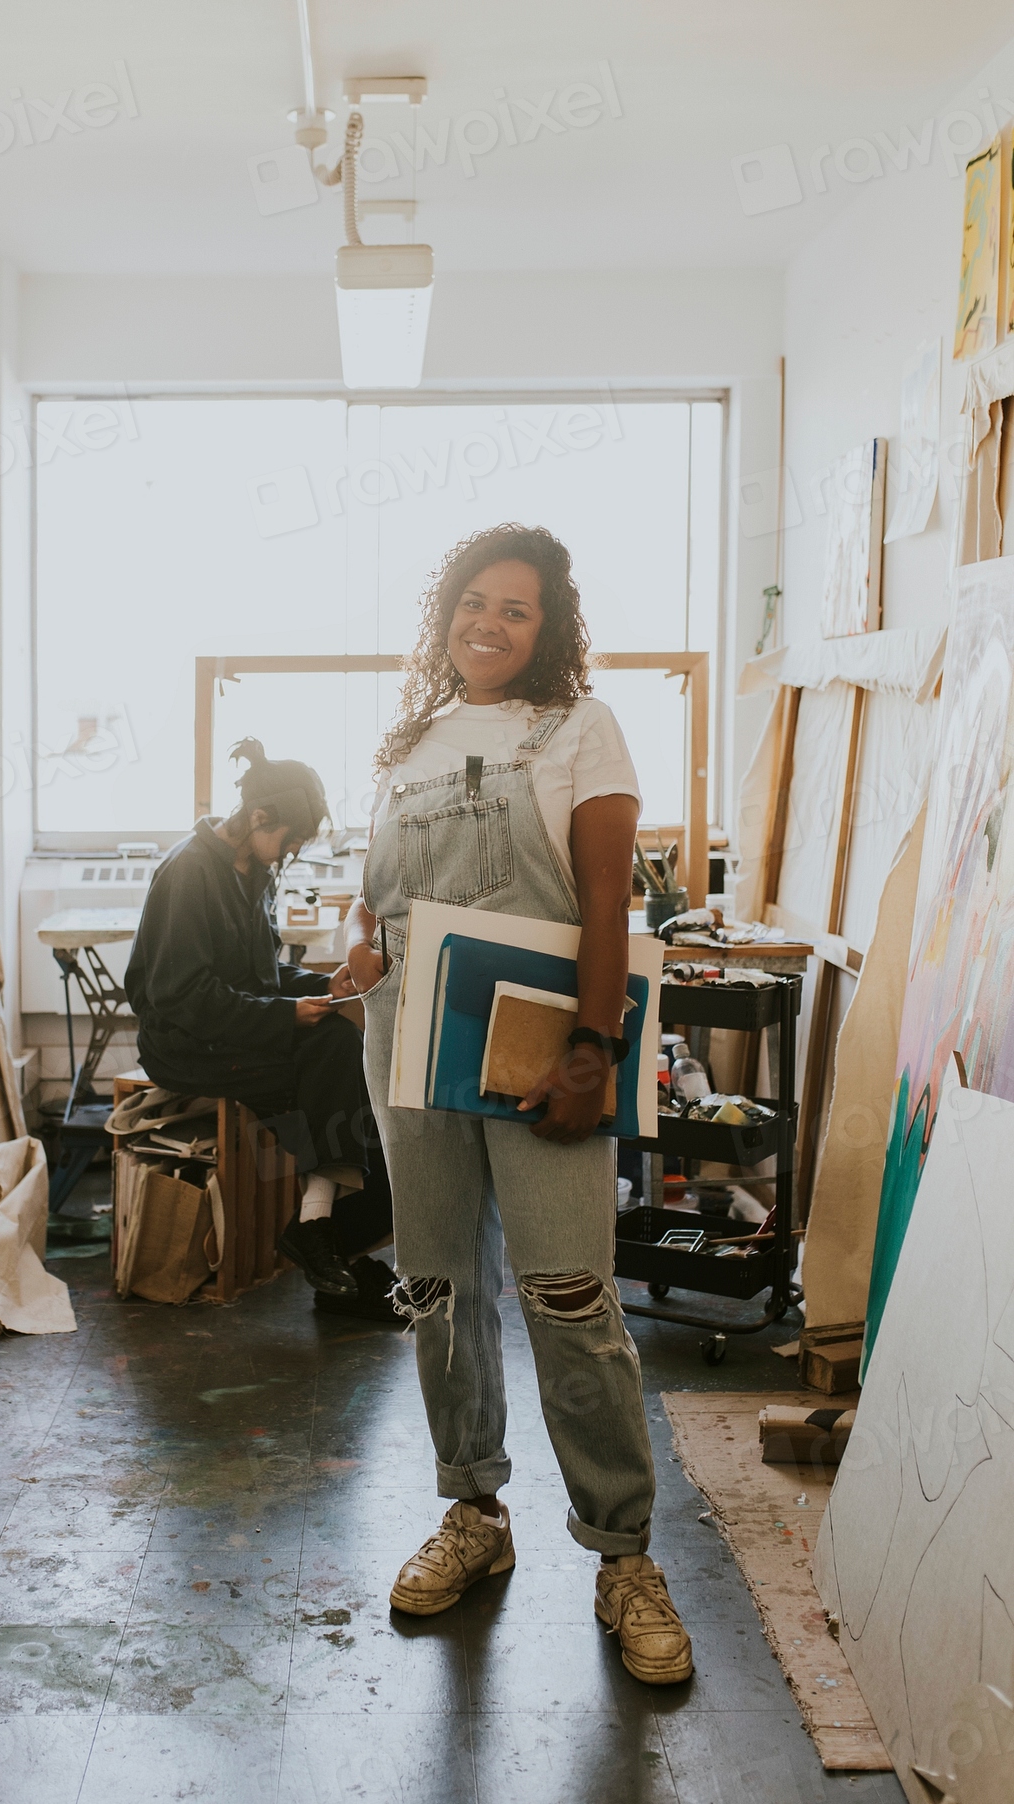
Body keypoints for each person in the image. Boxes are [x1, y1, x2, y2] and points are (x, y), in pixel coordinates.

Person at [343, 523, 693, 1685]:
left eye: (516, 609)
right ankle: (473, 1514)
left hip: (542, 1040)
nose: (487, 623)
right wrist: (354, 960)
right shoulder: (405, 739)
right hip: (407, 1037)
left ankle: (622, 1550)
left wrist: (594, 1044)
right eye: (472, 601)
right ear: (444, 610)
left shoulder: (579, 726)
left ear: (549, 629)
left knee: (568, 1290)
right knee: (436, 1285)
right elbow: (374, 900)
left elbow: (604, 900)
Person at [125, 738, 394, 1312]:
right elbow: (181, 996)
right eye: (287, 841)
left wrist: (321, 987)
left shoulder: (249, 868)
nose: (287, 854)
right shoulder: (188, 873)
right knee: (334, 1054)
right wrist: (283, 1015)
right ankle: (320, 1234)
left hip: (227, 1029)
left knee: (345, 1072)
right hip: (182, 1043)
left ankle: (325, 1241)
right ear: (257, 816)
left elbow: (260, 972)